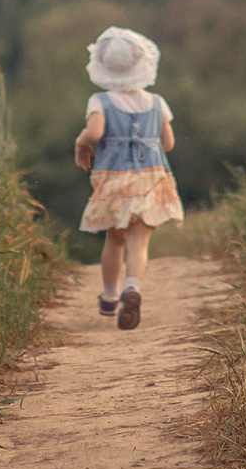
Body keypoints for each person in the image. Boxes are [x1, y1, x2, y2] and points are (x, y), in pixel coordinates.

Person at [72, 26, 182, 330]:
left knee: (114, 238)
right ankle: (132, 288)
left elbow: (95, 132)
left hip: (116, 179)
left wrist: (82, 143)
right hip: (151, 177)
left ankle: (109, 295)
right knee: (139, 241)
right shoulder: (158, 103)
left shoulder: (100, 102)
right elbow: (168, 144)